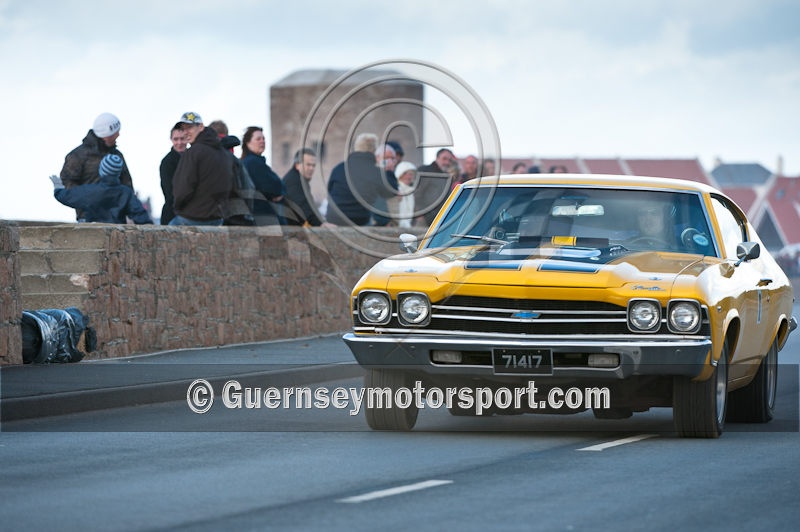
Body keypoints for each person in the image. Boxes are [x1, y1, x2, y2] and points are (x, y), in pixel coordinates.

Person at [60, 112, 134, 221]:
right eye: (115, 132)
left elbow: (127, 184)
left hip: (116, 219)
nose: (118, 135)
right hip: (89, 218)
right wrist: (89, 199)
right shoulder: (78, 156)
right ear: (106, 135)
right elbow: (66, 183)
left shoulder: (117, 155)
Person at [169, 112, 234, 226]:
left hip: (193, 217)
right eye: (183, 129)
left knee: (163, 238)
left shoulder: (193, 153)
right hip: (218, 219)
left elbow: (183, 188)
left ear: (201, 127)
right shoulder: (223, 153)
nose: (186, 132)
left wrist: (178, 207)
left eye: (189, 127)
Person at [50, 154, 152, 224]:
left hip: (94, 234)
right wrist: (149, 225)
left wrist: (58, 189)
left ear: (102, 170)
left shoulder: (91, 191)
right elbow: (140, 215)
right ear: (118, 173)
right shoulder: (126, 192)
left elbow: (68, 197)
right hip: (118, 234)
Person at [327, 133, 398, 226]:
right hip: (358, 220)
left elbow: (329, 190)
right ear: (374, 151)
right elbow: (392, 191)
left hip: (333, 218)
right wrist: (388, 170)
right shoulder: (374, 171)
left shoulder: (339, 168)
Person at [241, 126, 284, 226]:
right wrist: (278, 193)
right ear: (248, 143)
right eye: (258, 139)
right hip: (262, 216)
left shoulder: (255, 162)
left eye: (263, 138)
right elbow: (276, 187)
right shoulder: (253, 163)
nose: (262, 141)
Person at [282, 148, 334, 227]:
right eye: (308, 165)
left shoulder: (299, 180)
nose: (311, 168)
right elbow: (303, 207)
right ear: (297, 165)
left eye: (313, 165)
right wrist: (321, 223)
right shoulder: (294, 181)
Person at [413, 148, 456, 226]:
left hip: (440, 219)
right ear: (437, 158)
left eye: (449, 160)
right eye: (444, 159)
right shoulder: (425, 171)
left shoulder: (447, 176)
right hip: (423, 219)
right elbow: (416, 193)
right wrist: (419, 213)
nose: (447, 162)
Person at [159, 122, 187, 225]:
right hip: (173, 214)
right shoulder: (166, 162)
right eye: (176, 139)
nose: (179, 142)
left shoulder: (194, 158)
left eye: (182, 138)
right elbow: (169, 192)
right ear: (171, 140)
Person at [372, 143, 398, 226]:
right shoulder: (373, 173)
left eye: (392, 158)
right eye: (386, 158)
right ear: (377, 158)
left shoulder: (391, 175)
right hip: (376, 222)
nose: (389, 161)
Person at [390, 161, 417, 228]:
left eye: (411, 174)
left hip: (408, 225)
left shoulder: (412, 191)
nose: (409, 176)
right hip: (396, 226)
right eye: (405, 173)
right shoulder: (395, 190)